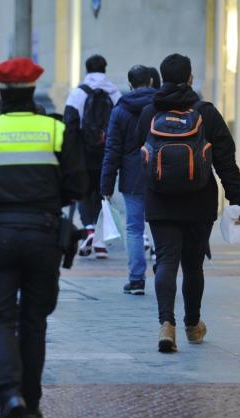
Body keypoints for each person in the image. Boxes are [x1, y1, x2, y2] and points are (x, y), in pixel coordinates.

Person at [0, 57, 86, 418]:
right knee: (34, 322)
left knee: (0, 319)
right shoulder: (55, 129)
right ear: (35, 90)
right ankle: (31, 404)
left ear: (0, 92)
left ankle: (9, 397)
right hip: (43, 235)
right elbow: (78, 186)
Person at [134, 54, 240, 352]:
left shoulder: (149, 113)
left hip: (159, 200)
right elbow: (225, 159)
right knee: (193, 267)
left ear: (161, 78)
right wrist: (237, 199)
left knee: (166, 262)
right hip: (199, 201)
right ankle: (193, 325)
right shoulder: (206, 113)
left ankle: (165, 324)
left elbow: (138, 152)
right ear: (190, 78)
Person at [100, 65, 156, 295]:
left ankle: (136, 280)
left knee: (134, 227)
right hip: (161, 172)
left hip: (132, 175)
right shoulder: (161, 105)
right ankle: (163, 275)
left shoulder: (120, 109)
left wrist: (106, 183)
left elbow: (112, 148)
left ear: (130, 84)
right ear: (151, 81)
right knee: (161, 226)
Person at [64, 54, 121, 259]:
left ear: (86, 69)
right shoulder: (115, 93)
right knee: (103, 194)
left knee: (84, 193)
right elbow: (121, 124)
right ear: (105, 69)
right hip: (107, 152)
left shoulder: (78, 92)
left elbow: (69, 123)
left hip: (83, 152)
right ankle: (100, 241)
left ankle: (89, 230)